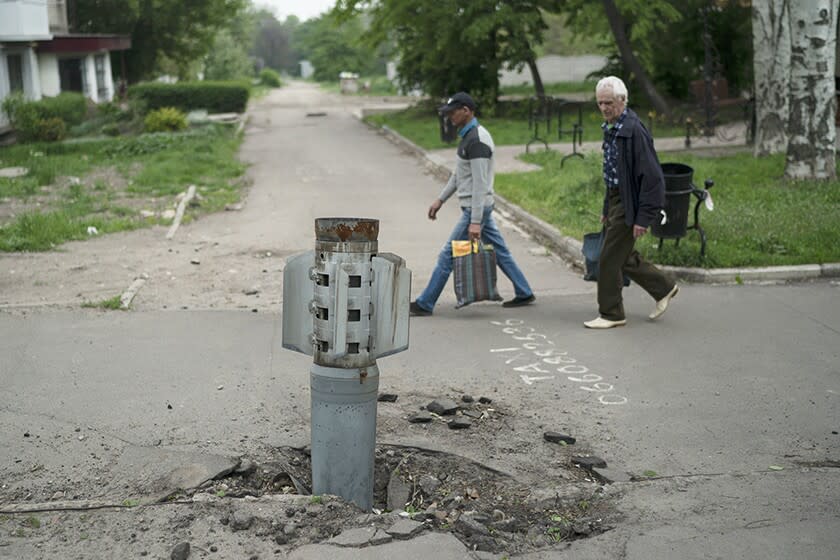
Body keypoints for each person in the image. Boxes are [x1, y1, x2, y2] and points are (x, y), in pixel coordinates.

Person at [410, 92, 535, 317]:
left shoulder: (477, 140)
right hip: (477, 207)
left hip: (477, 208)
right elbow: (459, 175)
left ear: (466, 110)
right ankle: (524, 291)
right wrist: (440, 199)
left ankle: (425, 303)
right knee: (500, 250)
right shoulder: (467, 136)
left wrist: (475, 221)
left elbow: (480, 185)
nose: (449, 117)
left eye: (452, 112)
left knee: (447, 255)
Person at [584, 76, 679, 329]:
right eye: (600, 103)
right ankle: (664, 287)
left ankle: (611, 314)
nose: (604, 108)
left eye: (609, 103)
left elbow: (653, 178)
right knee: (622, 255)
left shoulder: (634, 131)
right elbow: (612, 174)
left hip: (631, 202)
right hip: (617, 198)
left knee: (608, 258)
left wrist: (643, 217)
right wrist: (606, 208)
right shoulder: (612, 128)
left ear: (623, 101)